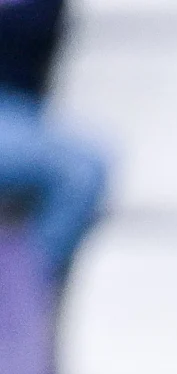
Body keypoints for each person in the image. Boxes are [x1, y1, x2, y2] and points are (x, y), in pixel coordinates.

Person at [0, 0, 108, 280]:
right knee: (79, 171)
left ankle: (20, 293)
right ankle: (19, 293)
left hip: (22, 115)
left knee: (83, 170)